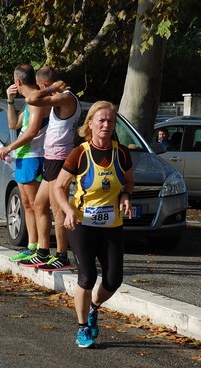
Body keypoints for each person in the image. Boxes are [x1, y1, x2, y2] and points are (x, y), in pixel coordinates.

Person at [53, 101, 134, 348]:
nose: (106, 125)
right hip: (83, 225)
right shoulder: (79, 153)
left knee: (113, 280)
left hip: (112, 226)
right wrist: (67, 211)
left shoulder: (121, 153)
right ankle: (82, 328)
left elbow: (129, 182)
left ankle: (93, 308)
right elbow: (58, 187)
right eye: (101, 120)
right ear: (90, 124)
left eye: (111, 121)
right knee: (87, 278)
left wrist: (126, 196)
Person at [18, 66, 82, 270]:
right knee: (39, 204)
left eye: (40, 86)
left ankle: (62, 255)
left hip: (60, 159)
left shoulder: (65, 97)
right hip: (51, 158)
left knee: (57, 208)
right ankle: (43, 252)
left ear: (44, 84)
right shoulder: (59, 96)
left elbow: (31, 99)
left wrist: (49, 89)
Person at [0, 63, 50, 262]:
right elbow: (13, 124)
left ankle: (42, 250)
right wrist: (10, 101)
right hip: (23, 157)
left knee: (37, 205)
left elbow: (32, 131)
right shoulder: (28, 102)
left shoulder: (37, 101)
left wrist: (8, 148)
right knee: (27, 204)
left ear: (18, 81)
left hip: (34, 157)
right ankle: (32, 246)